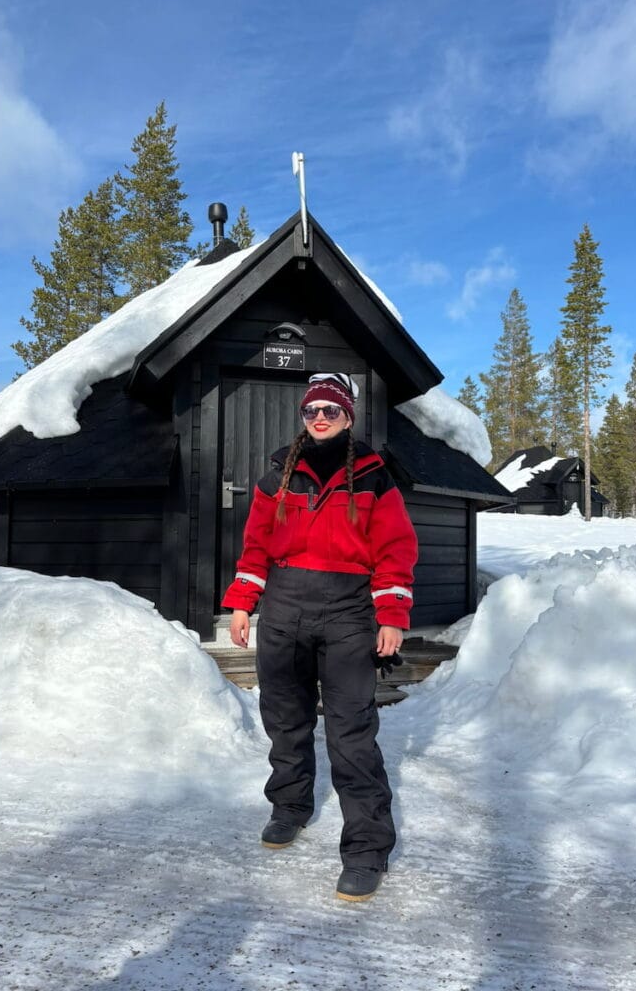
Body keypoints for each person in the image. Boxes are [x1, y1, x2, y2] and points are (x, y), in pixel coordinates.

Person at [222, 372, 418, 902]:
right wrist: (242, 603)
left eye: (331, 410)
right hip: (284, 608)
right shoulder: (276, 478)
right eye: (312, 411)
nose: (321, 418)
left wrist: (392, 614)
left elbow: (395, 548)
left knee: (351, 734)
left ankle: (366, 850)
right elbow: (256, 546)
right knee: (285, 719)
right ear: (303, 418)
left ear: (348, 416)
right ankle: (289, 807)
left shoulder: (376, 476)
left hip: (349, 612)